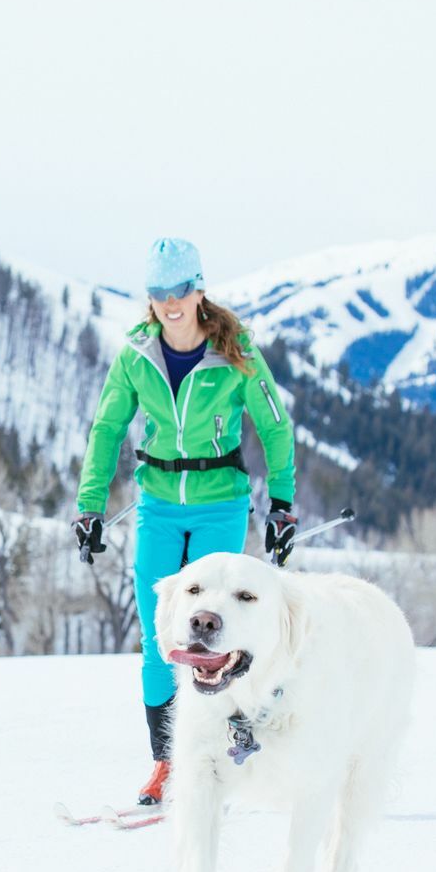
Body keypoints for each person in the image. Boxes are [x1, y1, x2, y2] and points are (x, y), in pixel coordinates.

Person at [74, 237, 298, 806]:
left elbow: (274, 426)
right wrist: (89, 506)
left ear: (199, 290)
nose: (171, 303)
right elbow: (106, 429)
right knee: (159, 640)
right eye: (159, 293)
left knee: (214, 635)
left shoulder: (235, 351)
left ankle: (226, 747)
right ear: (149, 297)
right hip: (157, 507)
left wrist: (283, 504)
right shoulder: (135, 356)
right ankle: (166, 762)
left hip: (221, 503)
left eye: (180, 290)